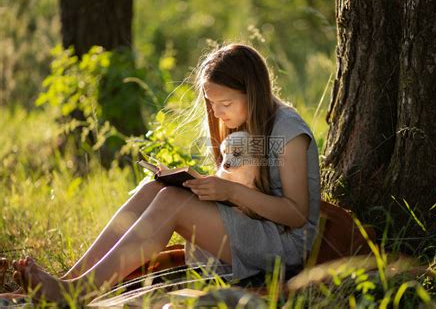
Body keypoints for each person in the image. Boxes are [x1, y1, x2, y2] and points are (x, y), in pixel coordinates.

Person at [11, 43, 321, 304]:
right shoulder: (245, 124)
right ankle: (70, 279)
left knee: (172, 202)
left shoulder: (288, 133)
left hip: (284, 246)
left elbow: (296, 214)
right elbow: (240, 188)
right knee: (152, 188)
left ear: (252, 93)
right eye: (212, 104)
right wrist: (203, 184)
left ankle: (74, 294)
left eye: (225, 103)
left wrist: (230, 192)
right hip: (253, 223)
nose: (217, 113)